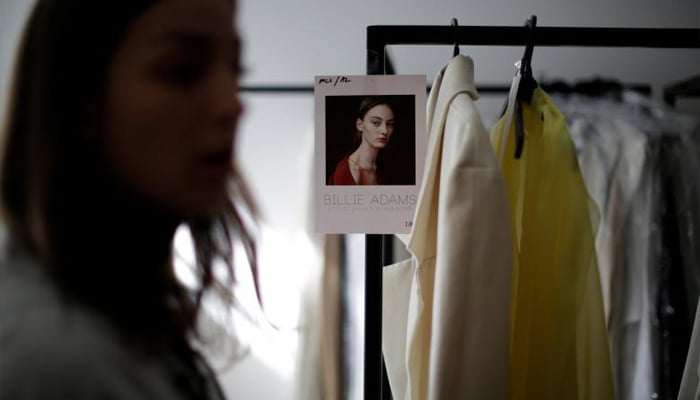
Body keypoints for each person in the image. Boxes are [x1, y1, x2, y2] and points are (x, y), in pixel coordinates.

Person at [0, 0, 258, 399]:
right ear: (79, 97)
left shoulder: (127, 320)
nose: (233, 104)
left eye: (235, 70)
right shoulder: (55, 359)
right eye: (182, 70)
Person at [328, 97, 395, 185]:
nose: (385, 131)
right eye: (376, 123)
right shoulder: (348, 171)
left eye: (389, 124)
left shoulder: (382, 169)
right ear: (360, 125)